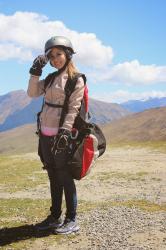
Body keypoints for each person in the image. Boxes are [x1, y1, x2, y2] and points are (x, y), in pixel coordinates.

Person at [27, 36, 85, 234]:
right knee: (53, 176)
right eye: (51, 56)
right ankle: (54, 216)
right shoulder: (50, 78)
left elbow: (74, 108)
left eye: (58, 54)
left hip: (62, 137)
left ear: (67, 54)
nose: (55, 59)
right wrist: (35, 71)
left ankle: (72, 219)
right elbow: (32, 92)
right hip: (45, 134)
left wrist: (65, 132)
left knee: (65, 177)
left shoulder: (77, 79)